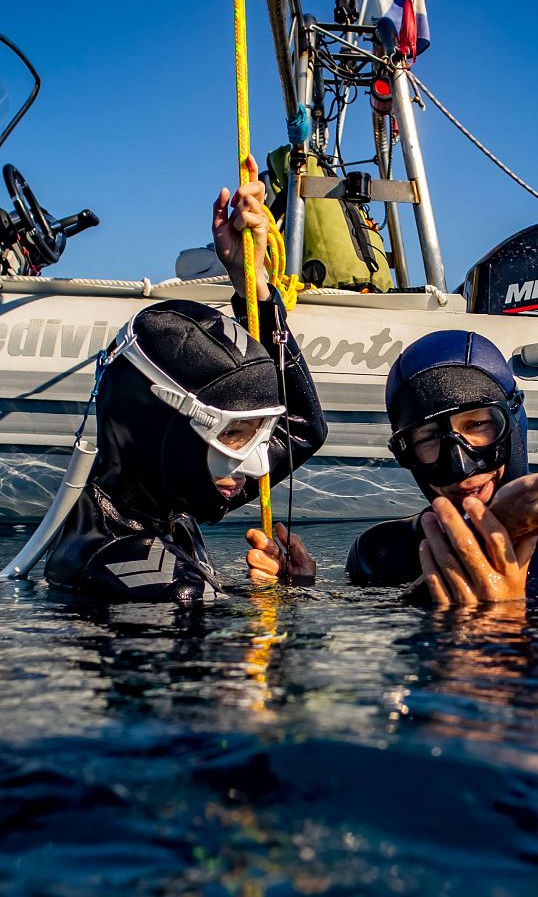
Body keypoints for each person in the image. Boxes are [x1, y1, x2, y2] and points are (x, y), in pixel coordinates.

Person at [42, 170, 326, 602]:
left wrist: (252, 282)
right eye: (234, 433)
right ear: (164, 425)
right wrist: (289, 602)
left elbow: (301, 429)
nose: (253, 463)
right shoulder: (162, 580)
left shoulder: (158, 497)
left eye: (256, 433)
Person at [247, 329, 538, 607]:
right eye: (427, 439)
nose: (458, 465)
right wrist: (295, 594)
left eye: (478, 425)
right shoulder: (381, 554)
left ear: (514, 422)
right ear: (404, 453)